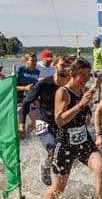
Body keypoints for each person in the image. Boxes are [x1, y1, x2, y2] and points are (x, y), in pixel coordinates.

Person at [43, 58, 102, 199]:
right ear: (72, 74)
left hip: (83, 141)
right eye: (83, 75)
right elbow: (59, 120)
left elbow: (86, 113)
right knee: (59, 188)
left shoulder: (84, 90)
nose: (86, 78)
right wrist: (81, 105)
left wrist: (87, 111)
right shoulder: (63, 92)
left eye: (88, 75)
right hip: (65, 144)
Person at [19, 54, 73, 186]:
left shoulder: (70, 85)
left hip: (60, 123)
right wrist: (21, 125)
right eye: (62, 65)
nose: (64, 68)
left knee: (65, 152)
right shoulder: (44, 83)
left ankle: (56, 173)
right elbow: (26, 103)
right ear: (55, 65)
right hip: (44, 122)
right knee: (53, 149)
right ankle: (45, 166)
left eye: (67, 66)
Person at [16, 53, 40, 134]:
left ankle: (26, 135)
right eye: (32, 60)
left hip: (32, 98)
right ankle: (22, 135)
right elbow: (12, 87)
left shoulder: (37, 71)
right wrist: (25, 88)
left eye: (35, 61)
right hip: (20, 99)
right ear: (26, 61)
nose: (34, 63)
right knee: (34, 122)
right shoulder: (20, 70)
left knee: (38, 121)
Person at [92, 37, 102, 101]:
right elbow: (95, 59)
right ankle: (98, 98)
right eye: (93, 41)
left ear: (98, 42)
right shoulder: (94, 50)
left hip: (100, 69)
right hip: (95, 69)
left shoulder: (101, 49)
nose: (93, 42)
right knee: (98, 85)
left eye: (94, 41)